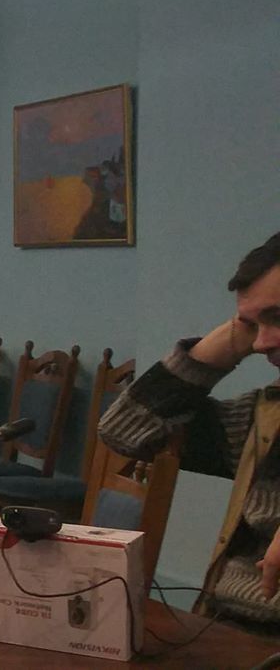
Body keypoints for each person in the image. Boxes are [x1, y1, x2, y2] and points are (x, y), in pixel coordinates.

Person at [97, 229, 280, 627]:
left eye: (278, 317)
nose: (262, 344)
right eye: (253, 325)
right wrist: (231, 340)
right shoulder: (268, 416)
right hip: (227, 625)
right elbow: (125, 431)